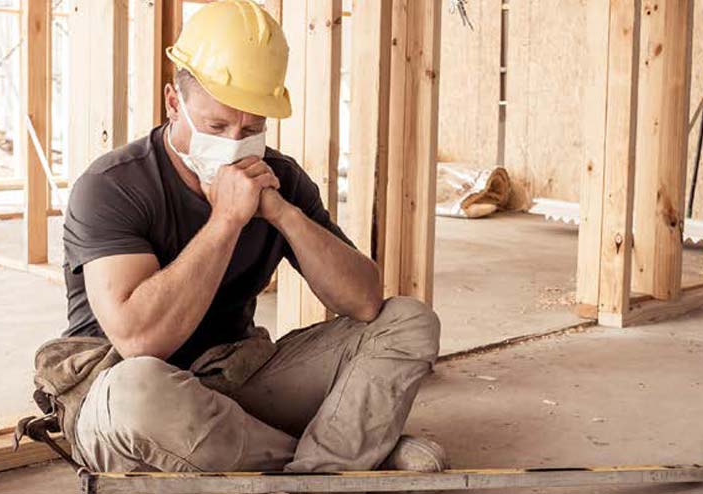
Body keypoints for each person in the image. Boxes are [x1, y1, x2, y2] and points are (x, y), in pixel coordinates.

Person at [34, 0, 446, 473]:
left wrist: (282, 214)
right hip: (127, 400)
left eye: (251, 128)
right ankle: (344, 461)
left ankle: (314, 469)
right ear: (174, 102)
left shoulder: (279, 180)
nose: (234, 140)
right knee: (138, 391)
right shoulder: (112, 186)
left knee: (409, 320)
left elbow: (366, 302)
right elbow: (139, 341)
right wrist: (226, 220)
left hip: (234, 377)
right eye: (216, 125)